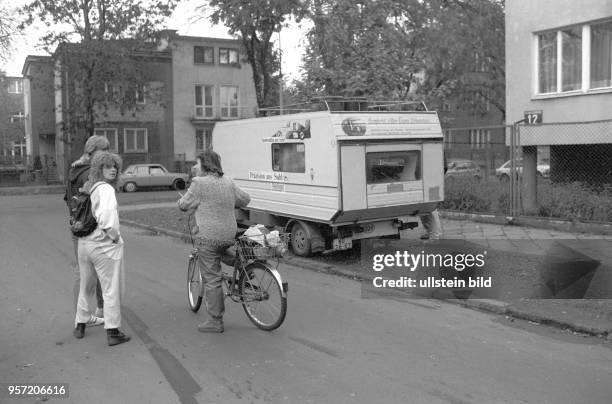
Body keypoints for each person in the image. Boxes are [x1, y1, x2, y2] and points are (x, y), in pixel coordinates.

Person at [178, 149, 250, 333]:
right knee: (222, 252)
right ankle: (246, 268)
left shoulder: (198, 183)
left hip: (208, 237)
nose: (195, 166)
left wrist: (183, 202)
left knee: (212, 279)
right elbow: (245, 200)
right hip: (228, 235)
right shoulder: (228, 181)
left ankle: (215, 321)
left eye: (198, 163)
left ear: (205, 164)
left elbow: (184, 204)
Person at [73, 151, 130, 346]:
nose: (113, 169)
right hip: (103, 246)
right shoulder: (105, 189)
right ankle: (113, 331)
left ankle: (80, 323)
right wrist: (114, 237)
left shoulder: (89, 186)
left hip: (84, 243)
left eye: (115, 166)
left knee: (86, 287)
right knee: (110, 289)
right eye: (107, 166)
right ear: (99, 168)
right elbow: (106, 218)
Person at [64, 135, 109, 326]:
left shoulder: (73, 170)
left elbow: (68, 199)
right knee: (99, 271)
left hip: (77, 228)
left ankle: (84, 316)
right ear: (93, 152)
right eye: (104, 150)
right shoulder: (92, 173)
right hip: (94, 229)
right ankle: (97, 311)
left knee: (85, 272)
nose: (107, 154)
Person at [420, 153, 448, 240]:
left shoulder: (434, 147)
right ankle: (430, 231)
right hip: (429, 178)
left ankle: (436, 234)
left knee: (431, 208)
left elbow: (443, 166)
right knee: (422, 206)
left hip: (432, 179)